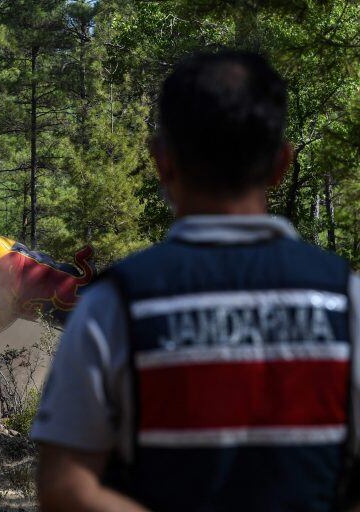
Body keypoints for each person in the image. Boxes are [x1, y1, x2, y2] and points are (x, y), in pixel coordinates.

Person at [31, 50, 360, 512]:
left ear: (162, 162)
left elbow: (64, 489)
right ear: (281, 165)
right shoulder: (344, 300)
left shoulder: (116, 304)